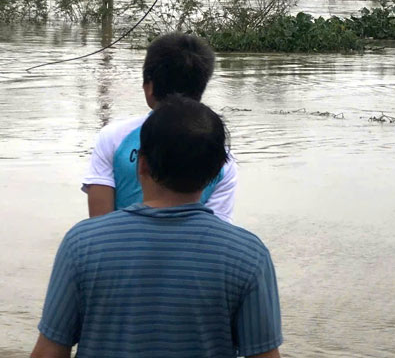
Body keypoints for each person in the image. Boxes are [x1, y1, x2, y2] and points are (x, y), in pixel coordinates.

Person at [31, 97, 282, 358]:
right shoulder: (248, 255)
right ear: (216, 170)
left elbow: (49, 352)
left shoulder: (82, 244)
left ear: (142, 164)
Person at [82, 33, 238, 222]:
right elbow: (217, 230)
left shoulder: (113, 137)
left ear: (149, 85)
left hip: (119, 248)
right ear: (202, 86)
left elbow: (98, 224)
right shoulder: (220, 154)